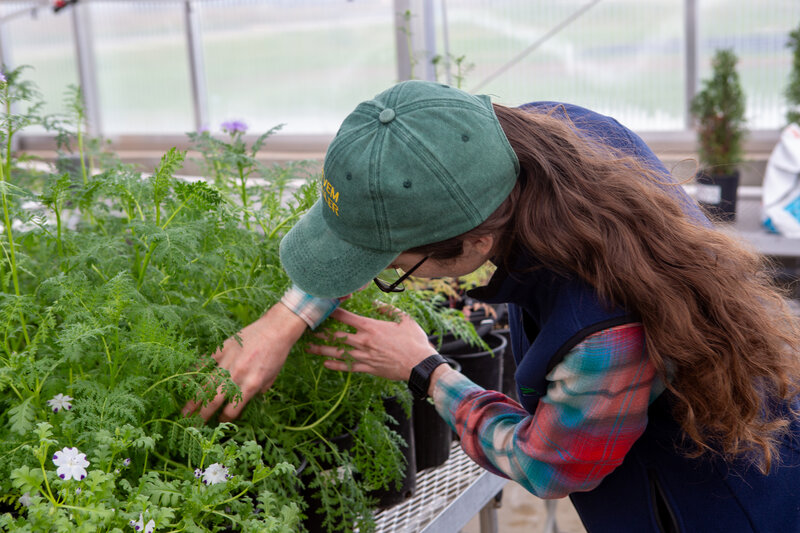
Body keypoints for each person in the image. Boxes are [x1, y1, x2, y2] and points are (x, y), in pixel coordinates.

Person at [183, 80, 800, 531]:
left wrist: (426, 370)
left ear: (475, 241)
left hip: (710, 502)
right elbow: (396, 203)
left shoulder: (607, 336)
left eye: (395, 268)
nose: (387, 273)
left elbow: (549, 468)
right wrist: (283, 319)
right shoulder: (533, 140)